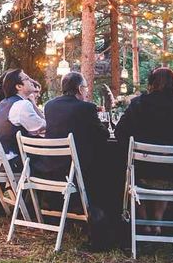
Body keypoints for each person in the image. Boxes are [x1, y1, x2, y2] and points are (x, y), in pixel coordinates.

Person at [41, 72, 122, 250]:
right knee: (111, 168)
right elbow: (102, 135)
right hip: (74, 171)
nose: (86, 92)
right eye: (85, 88)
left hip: (51, 167)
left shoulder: (50, 106)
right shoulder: (86, 108)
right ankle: (111, 226)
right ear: (79, 89)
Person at [115, 67, 173, 234]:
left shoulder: (138, 104)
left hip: (141, 173)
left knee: (133, 166)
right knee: (164, 166)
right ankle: (157, 221)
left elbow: (119, 132)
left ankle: (144, 220)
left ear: (151, 84)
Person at [0, 69, 46, 171]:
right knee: (55, 158)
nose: (31, 81)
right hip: (9, 162)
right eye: (27, 79)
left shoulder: (4, 103)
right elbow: (43, 128)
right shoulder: (21, 105)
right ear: (19, 86)